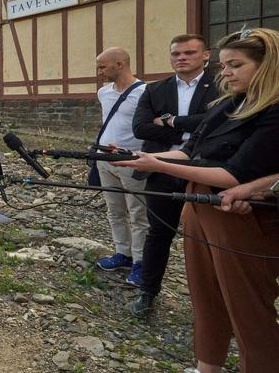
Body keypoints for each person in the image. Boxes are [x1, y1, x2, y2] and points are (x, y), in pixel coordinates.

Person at [114, 28, 279, 373]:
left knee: (247, 304)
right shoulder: (226, 104)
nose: (227, 73)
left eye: (236, 65)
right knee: (205, 296)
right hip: (199, 204)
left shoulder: (272, 111)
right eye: (224, 65)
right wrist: (134, 156)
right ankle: (207, 368)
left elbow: (233, 174)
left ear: (266, 66)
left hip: (239, 215)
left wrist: (156, 162)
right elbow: (190, 151)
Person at [128, 34, 217, 317]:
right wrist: (190, 128)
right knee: (159, 233)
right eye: (176, 53)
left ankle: (214, 301)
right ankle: (148, 291)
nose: (182, 58)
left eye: (189, 52)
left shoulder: (221, 86)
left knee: (209, 236)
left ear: (206, 55)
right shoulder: (155, 89)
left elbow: (220, 122)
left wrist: (170, 120)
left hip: (208, 169)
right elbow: (141, 127)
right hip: (162, 166)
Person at [93, 47, 148, 285]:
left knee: (138, 213)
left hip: (132, 160)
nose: (99, 72)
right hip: (105, 159)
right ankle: (122, 253)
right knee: (114, 210)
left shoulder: (145, 92)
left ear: (121, 65)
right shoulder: (103, 93)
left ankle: (141, 262)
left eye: (103, 67)